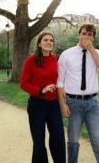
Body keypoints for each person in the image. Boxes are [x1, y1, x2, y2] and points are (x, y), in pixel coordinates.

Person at [57, 24, 99, 163]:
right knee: (73, 140)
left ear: (93, 38)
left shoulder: (96, 52)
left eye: (90, 35)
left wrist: (91, 49)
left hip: (93, 103)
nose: (86, 37)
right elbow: (60, 81)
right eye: (84, 33)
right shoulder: (66, 54)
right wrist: (62, 104)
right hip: (73, 102)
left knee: (98, 140)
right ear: (79, 35)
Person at [20, 32, 66, 163]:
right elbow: (23, 83)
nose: (49, 42)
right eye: (45, 40)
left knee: (58, 138)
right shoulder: (30, 60)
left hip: (53, 105)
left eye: (51, 40)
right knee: (39, 142)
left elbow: (60, 80)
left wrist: (62, 99)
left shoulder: (54, 59)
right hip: (37, 105)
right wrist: (41, 90)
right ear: (39, 44)